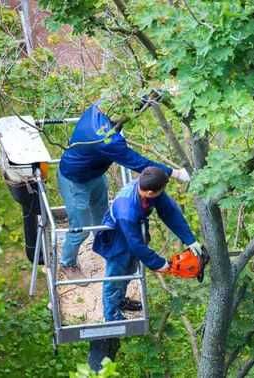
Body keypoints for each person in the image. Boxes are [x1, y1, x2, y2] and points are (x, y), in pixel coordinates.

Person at [57, 102, 190, 281]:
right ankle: (68, 262)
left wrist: (146, 98)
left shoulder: (99, 108)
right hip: (74, 180)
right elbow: (138, 163)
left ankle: (105, 249)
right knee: (81, 228)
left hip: (95, 174)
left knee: (102, 218)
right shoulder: (107, 140)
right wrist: (176, 173)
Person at [88, 166, 202, 371]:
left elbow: (170, 213)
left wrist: (190, 240)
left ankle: (120, 300)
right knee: (115, 276)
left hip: (133, 234)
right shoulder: (126, 209)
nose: (162, 194)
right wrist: (161, 264)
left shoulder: (153, 189)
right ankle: (111, 314)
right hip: (118, 238)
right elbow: (136, 245)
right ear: (149, 192)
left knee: (129, 271)